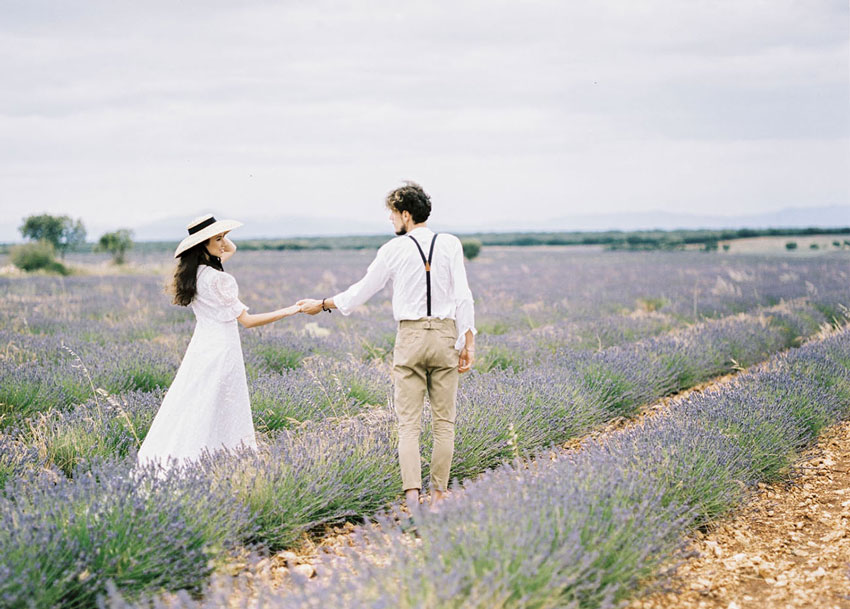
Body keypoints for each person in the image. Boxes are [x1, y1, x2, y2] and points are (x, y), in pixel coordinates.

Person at [299, 182, 476, 509]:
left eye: (393, 215)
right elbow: (463, 295)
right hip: (445, 334)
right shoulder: (450, 244)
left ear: (406, 215)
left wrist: (322, 303)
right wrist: (469, 340)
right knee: (444, 423)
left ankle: (412, 501)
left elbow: (361, 291)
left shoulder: (392, 250)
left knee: (408, 423)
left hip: (409, 337)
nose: (391, 221)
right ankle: (437, 501)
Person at [137, 214, 302, 469]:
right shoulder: (220, 279)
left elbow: (230, 248)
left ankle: (193, 458)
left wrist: (217, 236)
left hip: (202, 347)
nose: (225, 243)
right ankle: (221, 459)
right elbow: (248, 321)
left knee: (196, 402)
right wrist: (292, 310)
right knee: (221, 404)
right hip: (223, 350)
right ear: (202, 245)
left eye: (223, 236)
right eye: (218, 239)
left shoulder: (194, 274)